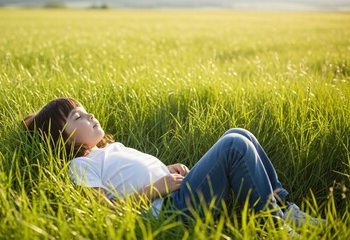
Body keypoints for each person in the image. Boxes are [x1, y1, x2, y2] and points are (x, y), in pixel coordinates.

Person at [23, 97, 325, 232]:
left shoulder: (110, 148)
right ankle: (273, 221)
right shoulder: (80, 165)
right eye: (77, 118)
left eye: (85, 111)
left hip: (175, 195)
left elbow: (133, 177)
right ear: (62, 139)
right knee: (234, 146)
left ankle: (284, 210)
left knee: (238, 134)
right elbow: (103, 212)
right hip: (172, 212)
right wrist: (157, 188)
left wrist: (165, 171)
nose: (89, 117)